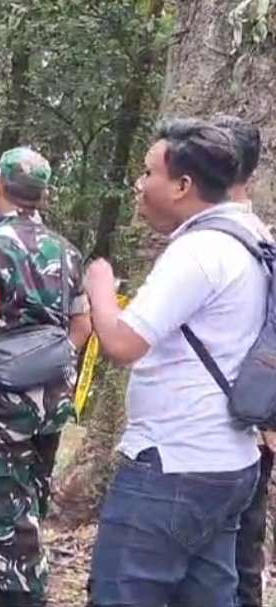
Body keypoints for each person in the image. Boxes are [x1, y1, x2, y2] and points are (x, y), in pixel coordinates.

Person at [85, 119, 265, 606]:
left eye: (149, 173)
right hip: (230, 462)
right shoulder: (252, 236)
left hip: (172, 465)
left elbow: (123, 343)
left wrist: (100, 289)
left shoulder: (199, 250)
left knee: (121, 592)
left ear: (183, 186)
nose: (141, 185)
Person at [0, 148, 92, 606]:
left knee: (2, 509)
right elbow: (83, 325)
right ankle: (19, 589)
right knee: (32, 501)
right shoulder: (67, 252)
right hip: (49, 401)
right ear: (43, 195)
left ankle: (20, 596)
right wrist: (51, 364)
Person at [214, 114, 275, 607]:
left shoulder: (253, 242)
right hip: (235, 422)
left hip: (247, 421)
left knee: (237, 553)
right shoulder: (259, 237)